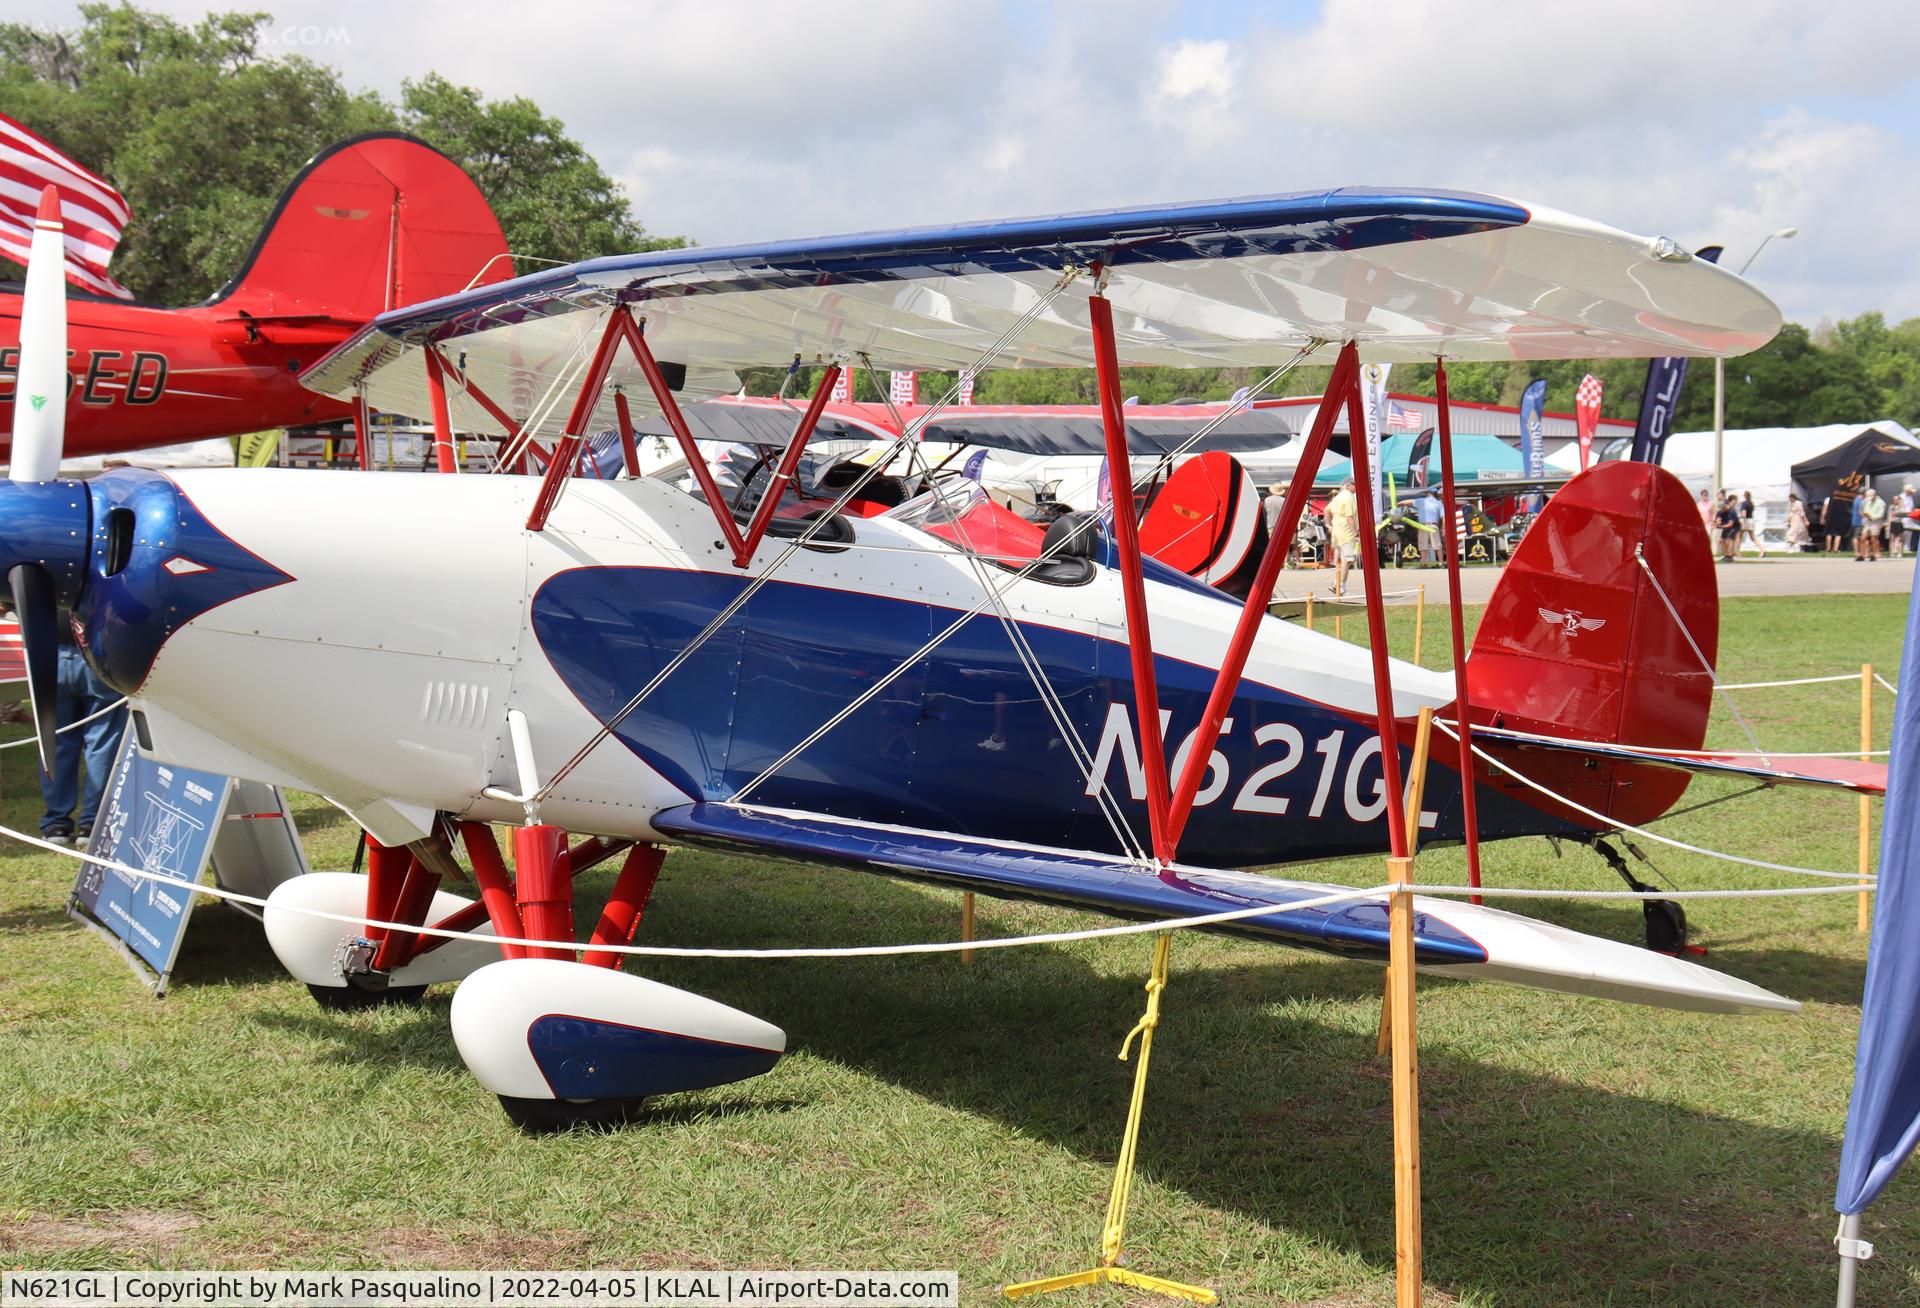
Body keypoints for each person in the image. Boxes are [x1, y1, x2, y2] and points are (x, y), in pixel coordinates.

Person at [39, 617, 130, 846]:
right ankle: (92, 823)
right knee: (102, 741)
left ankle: (56, 823)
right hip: (96, 650)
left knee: (57, 742)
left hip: (51, 653)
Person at [1324, 478, 1359, 595]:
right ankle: (1340, 585)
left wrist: (1329, 525)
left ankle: (1337, 583)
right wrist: (1355, 532)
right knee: (1347, 560)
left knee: (1342, 560)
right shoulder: (1349, 497)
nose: (1356, 487)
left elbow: (1326, 511)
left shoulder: (1338, 497)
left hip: (1337, 533)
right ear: (1349, 485)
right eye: (1355, 484)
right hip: (1346, 533)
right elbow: (1350, 517)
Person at [1859, 486, 1888, 562]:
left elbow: (1881, 514)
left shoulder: (1881, 503)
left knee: (1873, 538)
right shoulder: (1867, 501)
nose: (1870, 498)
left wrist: (1871, 517)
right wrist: (1864, 515)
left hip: (1876, 522)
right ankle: (1862, 555)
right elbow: (1864, 509)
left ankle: (1873, 554)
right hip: (1868, 521)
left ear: (1875, 495)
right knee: (1863, 538)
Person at [1416, 488, 1444, 565]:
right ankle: (1441, 562)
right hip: (1434, 525)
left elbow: (1408, 502)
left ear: (1429, 494)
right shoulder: (1439, 503)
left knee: (1423, 545)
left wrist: (1398, 504)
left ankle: (1424, 563)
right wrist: (1443, 528)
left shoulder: (1422, 501)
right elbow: (1443, 517)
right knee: (1437, 545)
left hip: (1423, 525)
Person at [1714, 493, 1741, 563]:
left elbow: (1731, 524)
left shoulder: (1732, 511)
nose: (1722, 509)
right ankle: (1726, 556)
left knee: (1730, 540)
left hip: (1735, 526)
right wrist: (1716, 522)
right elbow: (1718, 517)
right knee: (1721, 540)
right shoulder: (1721, 510)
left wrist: (1720, 526)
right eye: (1734, 502)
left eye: (1735, 503)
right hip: (1727, 526)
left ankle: (1730, 556)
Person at [1738, 491, 1765, 556]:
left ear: (1744, 496)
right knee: (1753, 537)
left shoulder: (1744, 503)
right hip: (1751, 520)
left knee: (1739, 537)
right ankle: (1762, 549)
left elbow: (1744, 514)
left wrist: (1743, 521)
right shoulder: (1751, 503)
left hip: (1745, 520)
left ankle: (1737, 551)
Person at [1892, 486, 1915, 558]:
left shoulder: (1910, 497)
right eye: (1910, 491)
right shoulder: (1901, 497)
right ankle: (1897, 548)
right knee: (1902, 533)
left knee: (1909, 532)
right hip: (1903, 516)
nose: (1912, 493)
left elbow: (1911, 506)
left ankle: (1906, 547)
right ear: (1907, 491)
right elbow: (1901, 507)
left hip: (1909, 515)